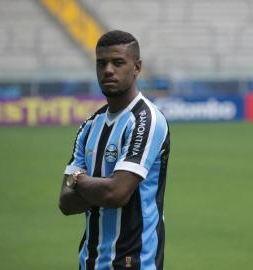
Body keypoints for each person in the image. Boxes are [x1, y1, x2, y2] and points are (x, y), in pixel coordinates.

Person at [59, 30, 170, 270]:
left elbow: (117, 193)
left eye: (118, 62)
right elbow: (65, 203)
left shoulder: (146, 119)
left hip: (133, 261)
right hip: (89, 261)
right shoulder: (89, 126)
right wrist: (98, 186)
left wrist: (77, 180)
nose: (108, 70)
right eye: (102, 63)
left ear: (137, 67)